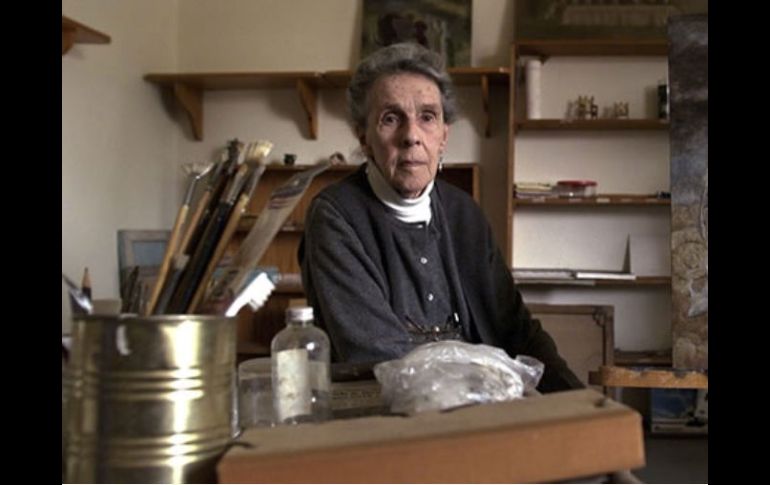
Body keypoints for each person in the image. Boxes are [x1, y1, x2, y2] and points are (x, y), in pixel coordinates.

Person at [299, 42, 583, 393]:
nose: (411, 136)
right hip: (390, 412)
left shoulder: (463, 212)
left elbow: (517, 330)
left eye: (427, 117)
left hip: (484, 402)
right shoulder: (336, 217)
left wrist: (578, 400)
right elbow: (380, 361)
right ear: (365, 138)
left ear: (444, 136)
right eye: (390, 118)